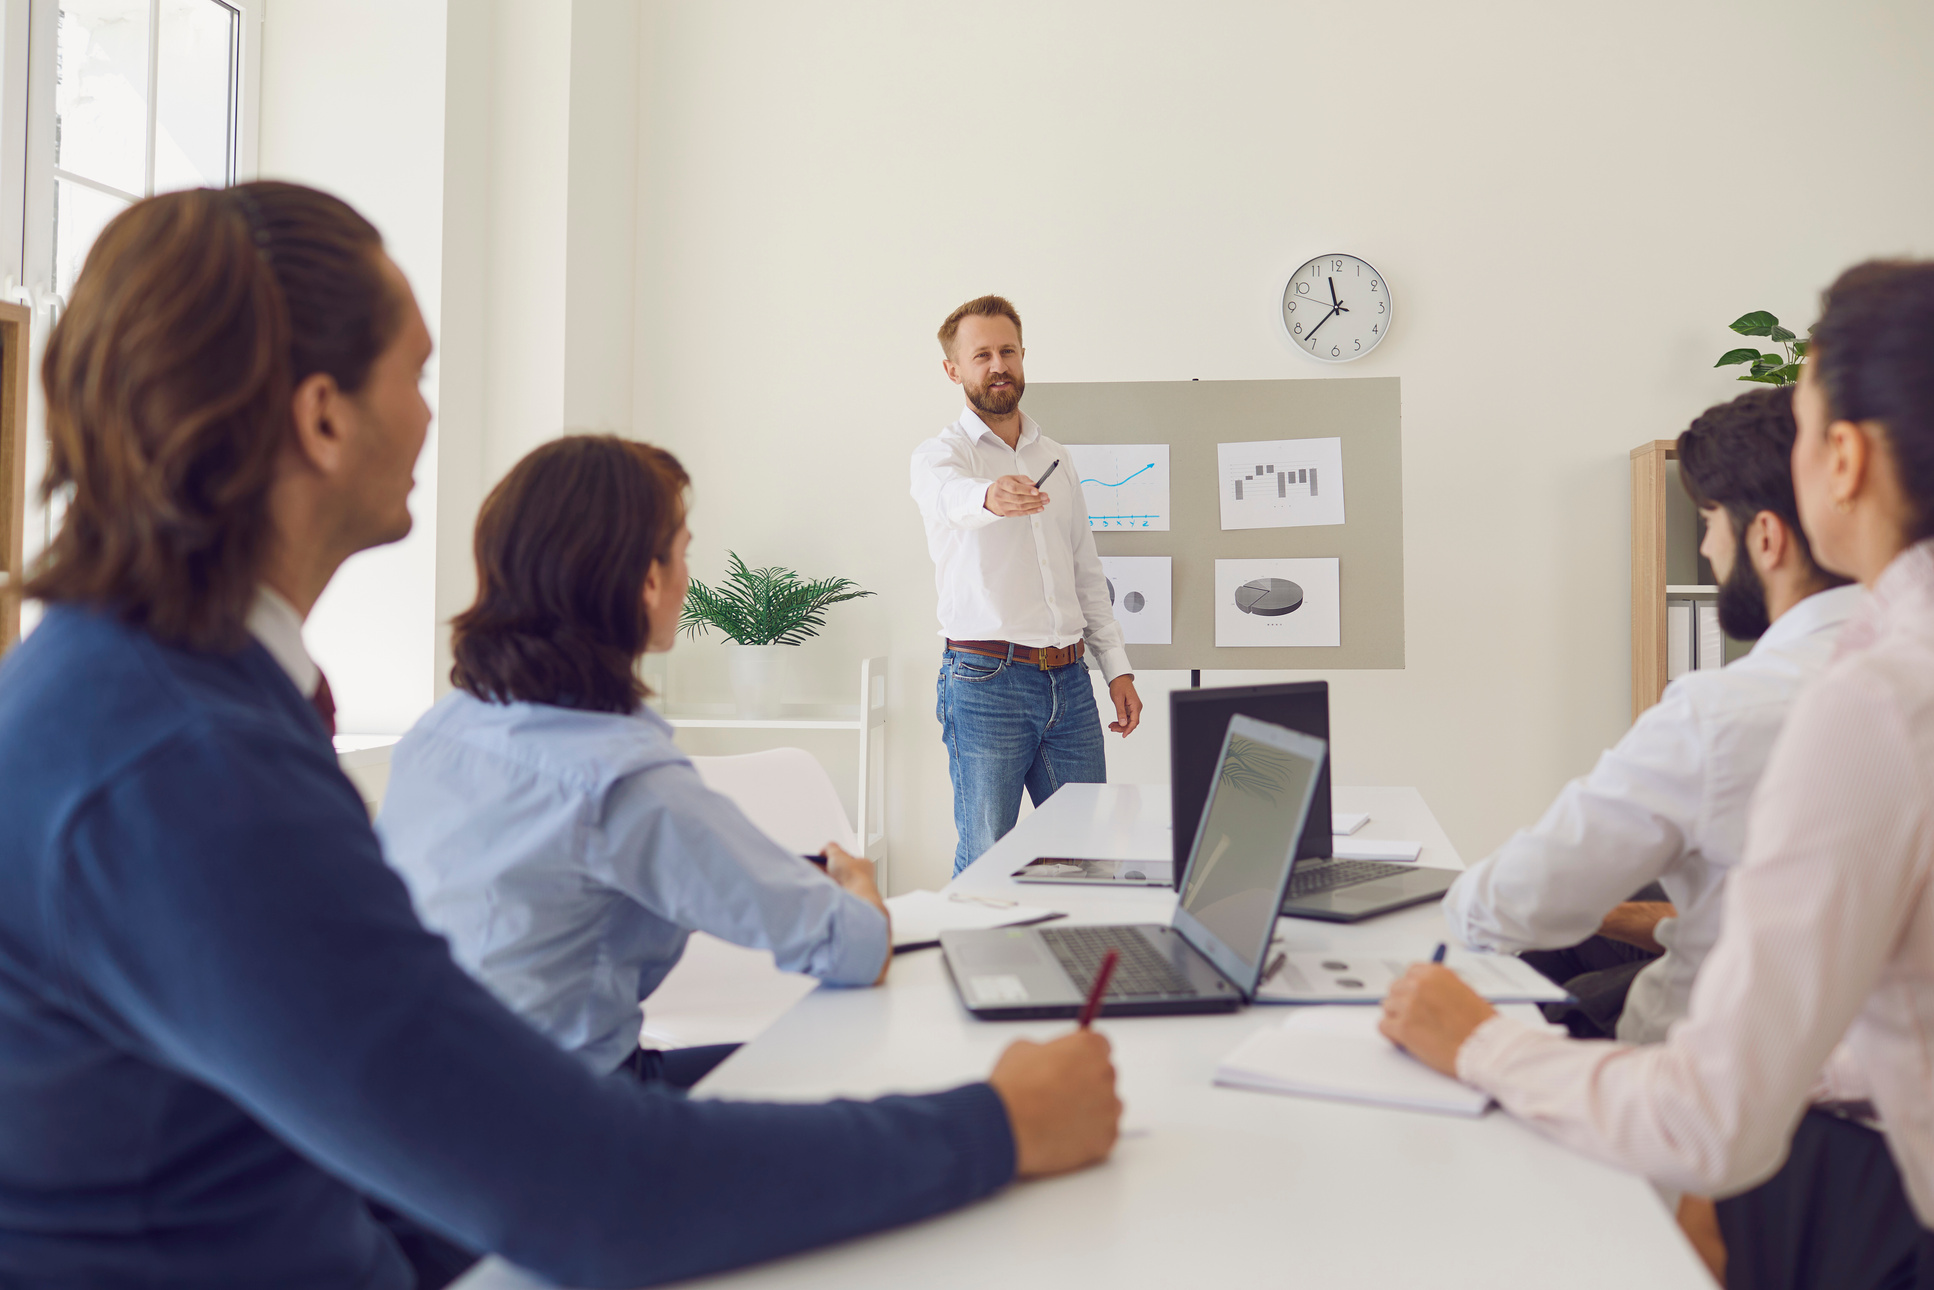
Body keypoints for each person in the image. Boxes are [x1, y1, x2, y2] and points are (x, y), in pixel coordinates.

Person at [0, 182, 1121, 1290]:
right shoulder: (175, 768)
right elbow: (588, 1193)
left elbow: (417, 1118)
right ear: (323, 415)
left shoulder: (157, 696)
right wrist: (997, 1127)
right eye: (419, 373)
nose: (434, 415)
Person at [1382, 260, 1934, 1290]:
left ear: (1844, 460)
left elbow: (1710, 1120)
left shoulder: (1866, 698)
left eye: (1803, 421)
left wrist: (1477, 1047)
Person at [378, 434, 890, 1086]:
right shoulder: (623, 782)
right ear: (649, 580)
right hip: (570, 1120)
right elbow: (856, 948)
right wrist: (863, 887)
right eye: (684, 554)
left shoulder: (441, 730)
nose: (685, 577)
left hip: (424, 1100)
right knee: (863, 1068)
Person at [1442, 386, 1859, 1042]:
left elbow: (1501, 905)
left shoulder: (1724, 713)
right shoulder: (1900, 676)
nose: (1707, 549)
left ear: (1767, 537)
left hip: (1688, 1065)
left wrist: (1458, 895)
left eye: (1711, 520)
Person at [910, 295, 1144, 874]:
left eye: (1007, 351)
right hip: (986, 683)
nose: (998, 366)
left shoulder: (1056, 458)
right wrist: (989, 496)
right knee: (989, 859)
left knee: (1088, 854)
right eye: (981, 354)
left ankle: (1081, 963)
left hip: (1070, 680)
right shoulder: (941, 456)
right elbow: (950, 499)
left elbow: (1086, 572)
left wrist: (1116, 667)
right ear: (954, 369)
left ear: (1022, 357)